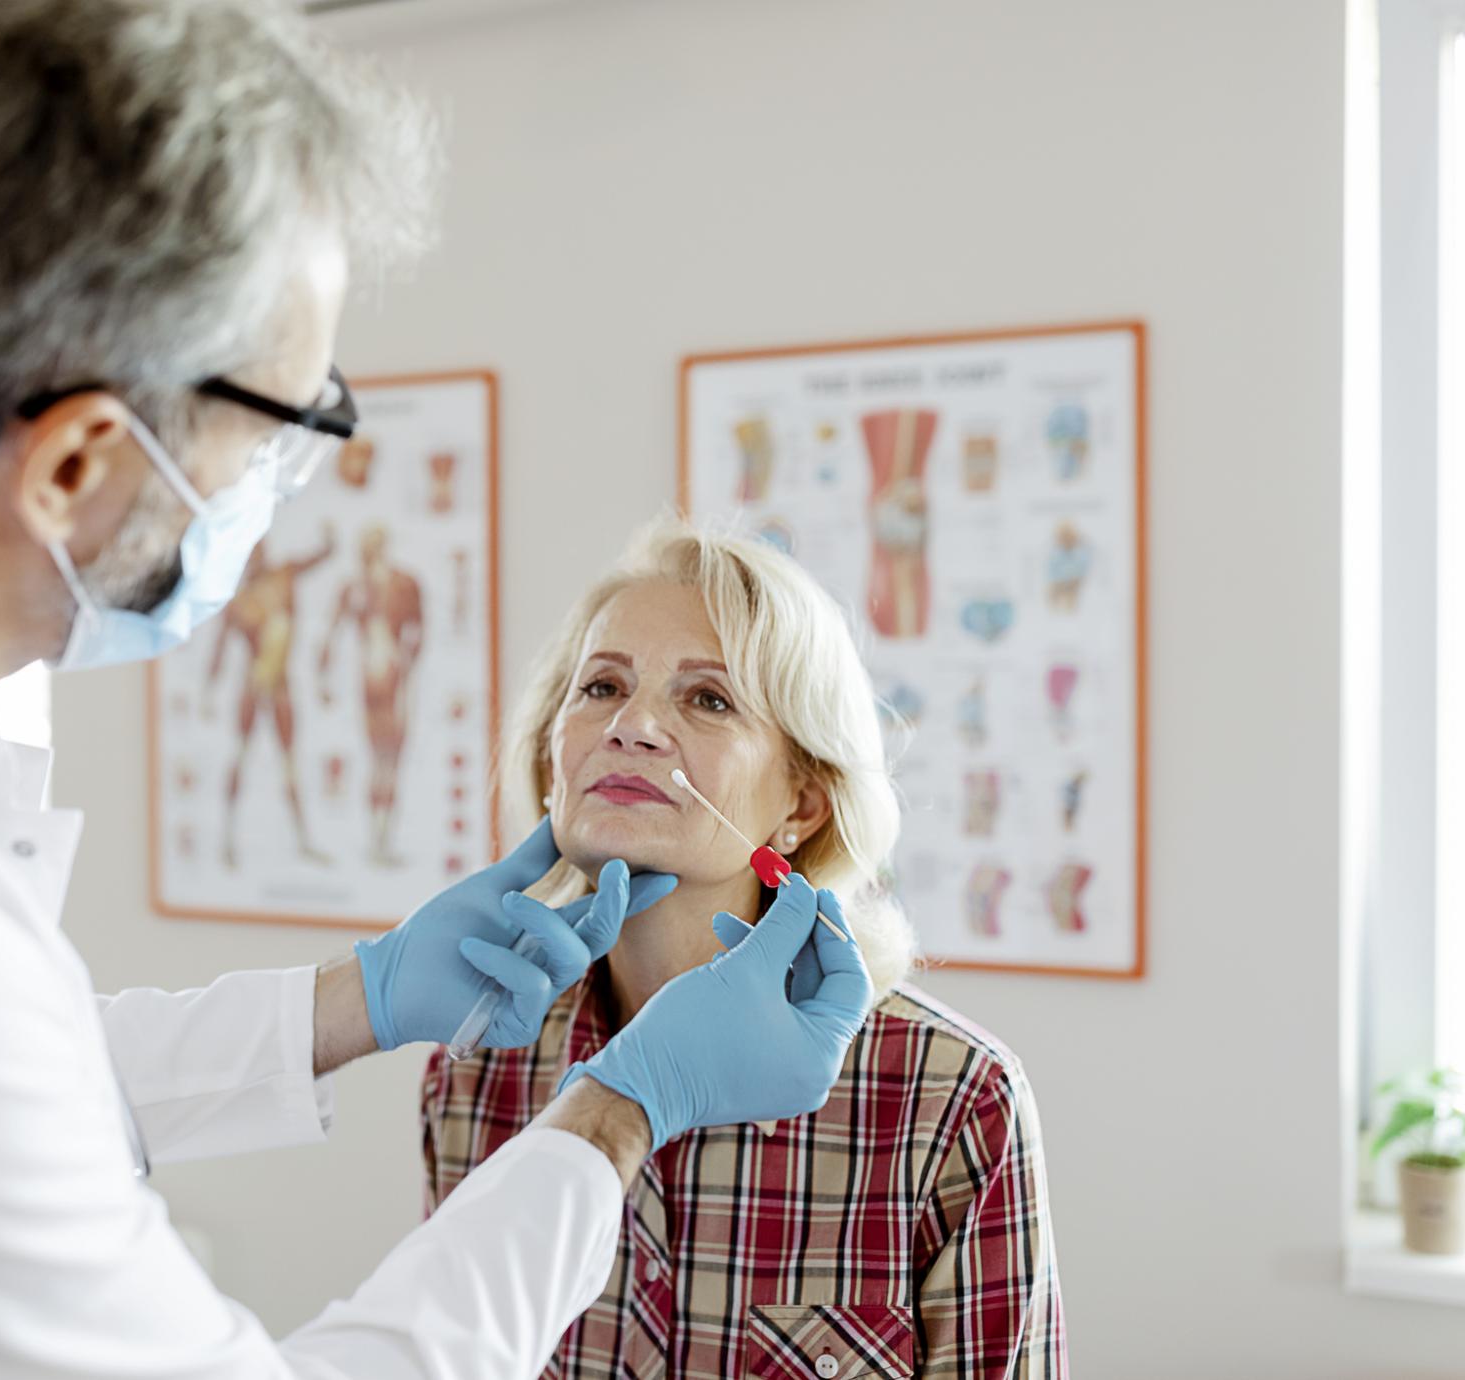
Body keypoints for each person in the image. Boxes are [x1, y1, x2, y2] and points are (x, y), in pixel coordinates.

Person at [0, 3, 876, 1376]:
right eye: (282, 425)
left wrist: (361, 1001)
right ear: (80, 461)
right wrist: (624, 1114)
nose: (275, 489)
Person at [423, 522, 1065, 1378]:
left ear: (801, 805)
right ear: (552, 762)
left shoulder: (952, 1100)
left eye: (708, 699)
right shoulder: (473, 1070)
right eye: (602, 686)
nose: (632, 726)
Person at [208, 527, 337, 866]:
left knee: (289, 762)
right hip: (253, 685)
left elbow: (318, 557)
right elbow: (218, 651)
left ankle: (302, 840)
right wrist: (209, 692)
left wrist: (329, 541)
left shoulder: (283, 578)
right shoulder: (240, 603)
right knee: (240, 755)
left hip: (279, 685)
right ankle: (227, 838)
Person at [319, 522, 424, 864]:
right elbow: (330, 636)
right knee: (383, 760)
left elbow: (417, 631)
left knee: (389, 759)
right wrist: (325, 679)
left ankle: (381, 840)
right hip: (377, 679)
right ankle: (378, 841)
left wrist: (405, 664)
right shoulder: (356, 588)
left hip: (393, 676)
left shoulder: (402, 584)